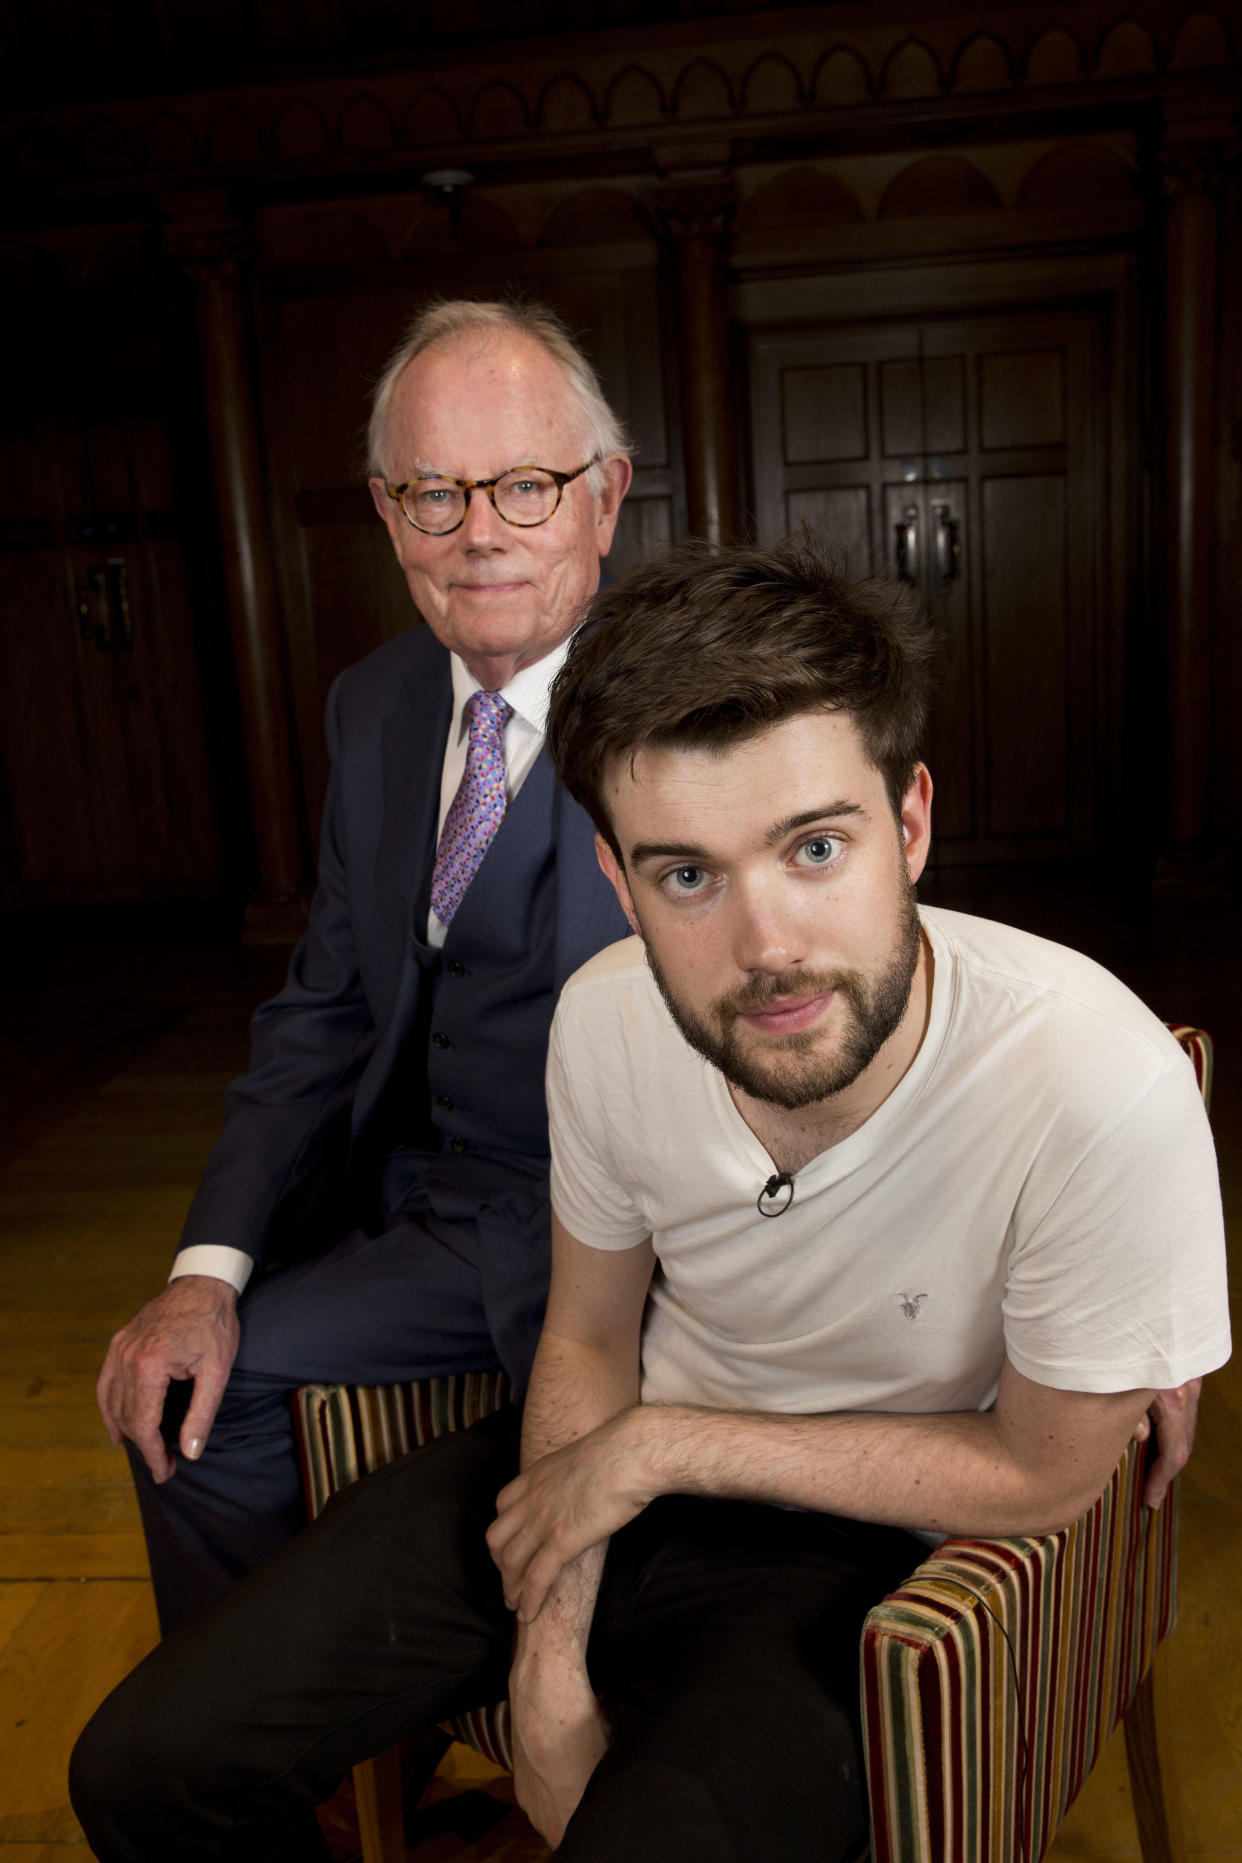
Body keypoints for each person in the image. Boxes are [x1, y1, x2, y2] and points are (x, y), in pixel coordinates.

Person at [71, 535, 1228, 1863]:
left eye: (813, 847)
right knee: (144, 1771)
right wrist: (551, 1659)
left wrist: (659, 1451)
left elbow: (1040, 1472)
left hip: (855, 1548)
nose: (765, 946)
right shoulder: (608, 1017)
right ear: (618, 881)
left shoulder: (1093, 1078)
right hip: (596, 1468)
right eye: (686, 874)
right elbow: (584, 1337)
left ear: (909, 822)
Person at [94, 298, 634, 1633]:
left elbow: (863, 983)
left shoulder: (708, 698)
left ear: (604, 498)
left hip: (625, 1240)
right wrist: (204, 1274)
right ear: (387, 514)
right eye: (434, 493)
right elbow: (324, 1010)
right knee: (181, 1402)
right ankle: (297, 1779)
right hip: (405, 1208)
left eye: (523, 484)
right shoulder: (377, 701)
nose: (479, 532)